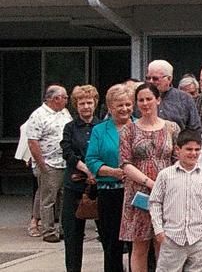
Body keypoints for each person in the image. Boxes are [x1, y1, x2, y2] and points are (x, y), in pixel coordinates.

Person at [120, 82, 181, 272]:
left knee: (163, 242)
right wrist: (150, 182)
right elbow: (125, 163)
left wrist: (169, 185)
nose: (145, 103)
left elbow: (177, 159)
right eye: (141, 100)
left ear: (158, 100)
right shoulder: (128, 130)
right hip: (138, 192)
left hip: (167, 192)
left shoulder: (171, 128)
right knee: (140, 245)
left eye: (149, 99)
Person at [150, 130, 202, 272]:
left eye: (197, 149)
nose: (193, 153)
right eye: (189, 149)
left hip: (198, 239)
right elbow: (155, 202)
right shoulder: (165, 175)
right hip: (172, 238)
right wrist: (159, 230)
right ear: (178, 150)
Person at [86, 83, 133, 272]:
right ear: (110, 107)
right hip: (109, 193)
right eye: (119, 105)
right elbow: (91, 159)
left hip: (135, 193)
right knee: (112, 243)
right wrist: (112, 172)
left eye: (128, 104)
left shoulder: (140, 126)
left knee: (136, 243)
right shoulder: (99, 130)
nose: (124, 109)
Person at [25, 84, 72, 243]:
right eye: (65, 97)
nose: (67, 100)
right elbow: (33, 142)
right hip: (49, 164)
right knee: (48, 199)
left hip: (65, 162)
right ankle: (48, 230)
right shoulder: (38, 115)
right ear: (56, 99)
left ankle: (65, 229)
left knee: (66, 197)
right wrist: (42, 164)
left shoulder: (64, 112)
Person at [60, 85, 99, 271]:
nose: (86, 107)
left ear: (95, 104)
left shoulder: (102, 127)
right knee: (73, 235)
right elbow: (67, 152)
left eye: (89, 102)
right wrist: (86, 169)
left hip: (99, 185)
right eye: (82, 103)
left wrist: (95, 171)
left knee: (108, 234)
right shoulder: (69, 127)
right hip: (75, 184)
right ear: (76, 105)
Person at [145, 59, 201, 132]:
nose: (151, 82)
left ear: (169, 79)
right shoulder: (141, 98)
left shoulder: (184, 99)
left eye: (155, 79)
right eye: (148, 78)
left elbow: (195, 130)